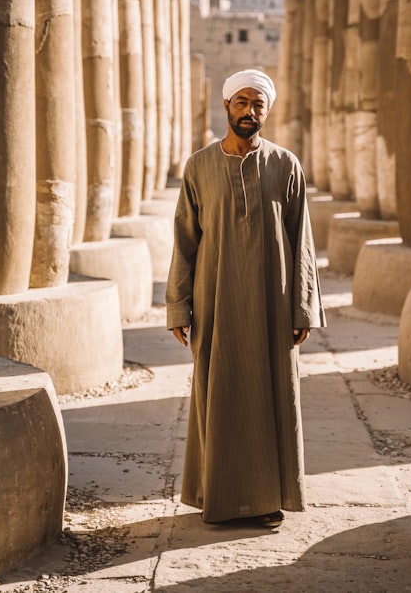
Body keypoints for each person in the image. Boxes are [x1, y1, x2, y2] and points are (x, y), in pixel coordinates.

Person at [166, 68, 326, 528]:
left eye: (258, 105)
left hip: (273, 306)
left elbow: (302, 243)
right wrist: (179, 305)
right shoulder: (198, 167)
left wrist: (303, 307)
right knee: (217, 393)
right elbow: (184, 241)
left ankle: (266, 498)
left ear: (267, 111)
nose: (250, 112)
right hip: (215, 301)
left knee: (272, 394)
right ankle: (218, 496)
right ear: (226, 107)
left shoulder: (285, 165)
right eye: (242, 103)